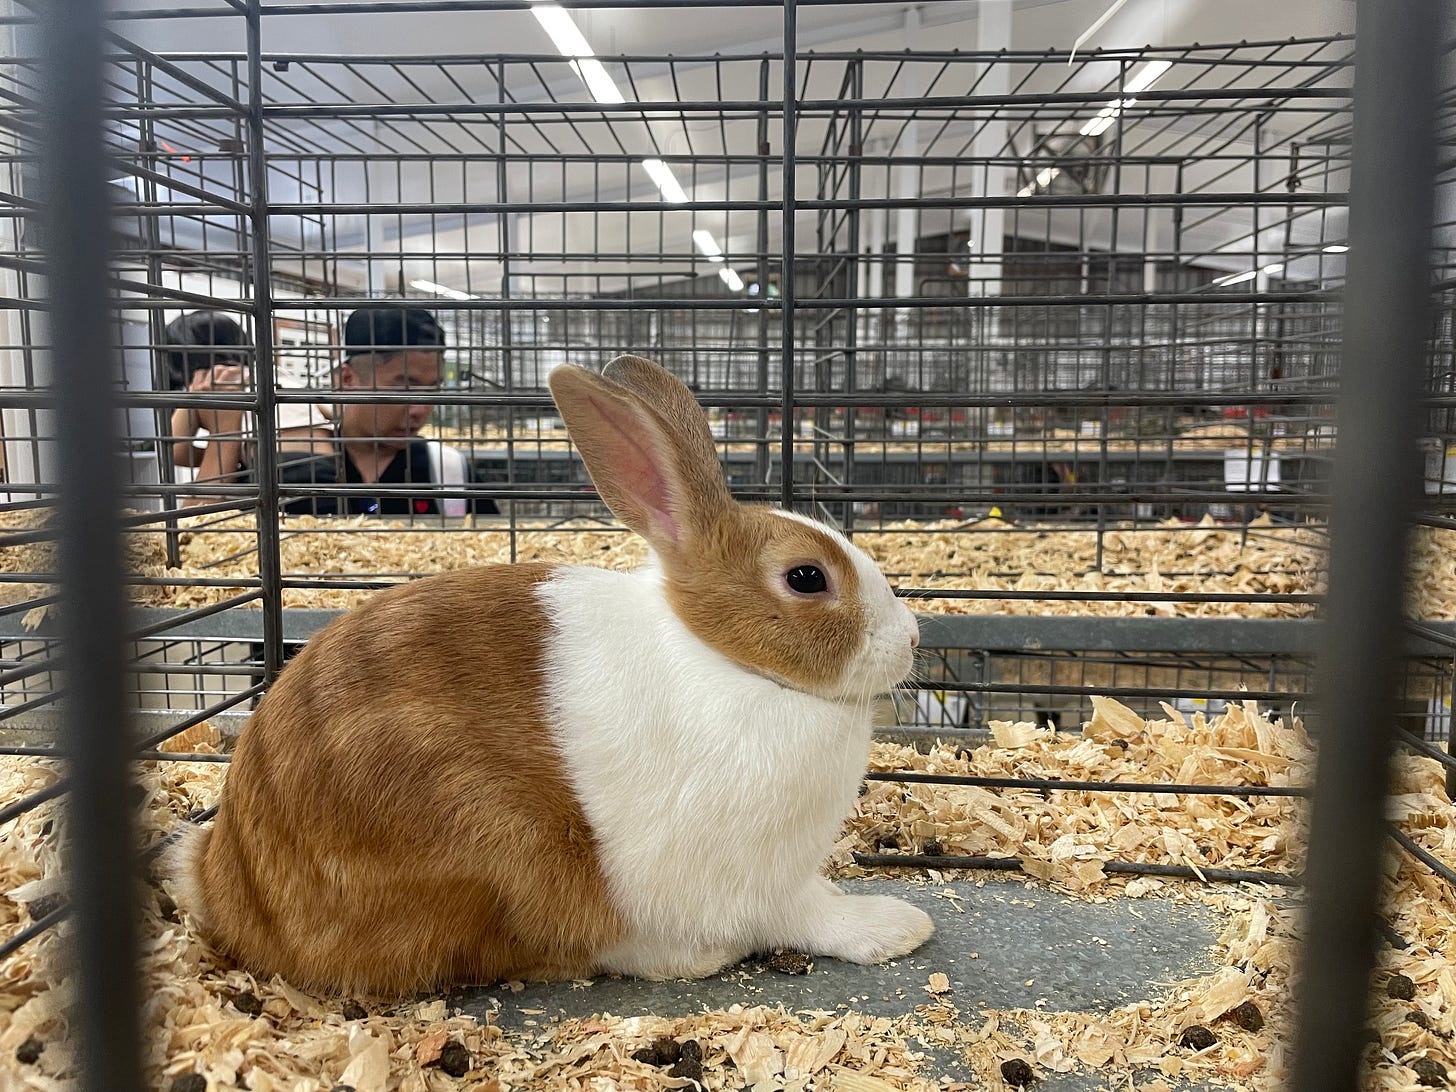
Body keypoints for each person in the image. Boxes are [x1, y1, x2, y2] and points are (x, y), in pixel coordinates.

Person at [271, 306, 496, 517]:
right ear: (348, 380)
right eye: (404, 389)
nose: (421, 409)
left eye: (433, 389)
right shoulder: (299, 466)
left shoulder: (448, 472)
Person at [162, 310, 331, 504]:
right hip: (326, 467)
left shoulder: (210, 385)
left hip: (273, 471)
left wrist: (230, 458)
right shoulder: (272, 374)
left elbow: (174, 451)